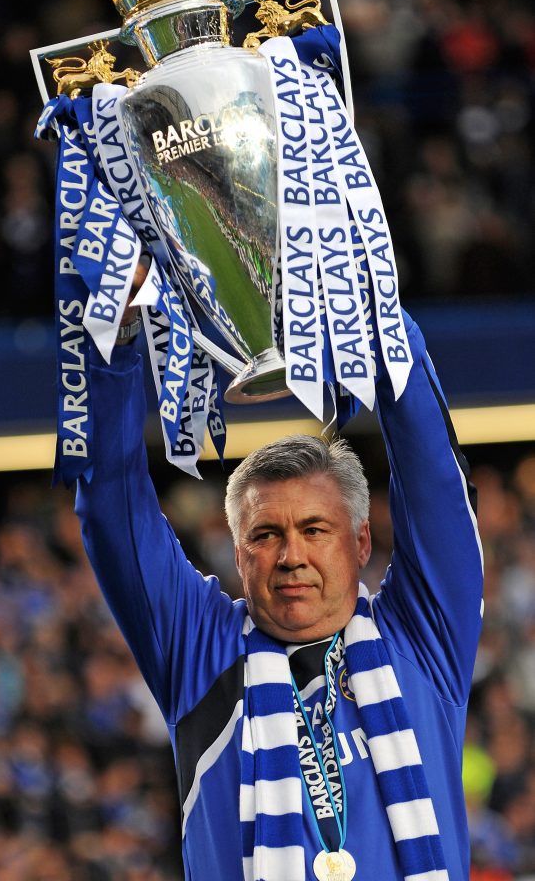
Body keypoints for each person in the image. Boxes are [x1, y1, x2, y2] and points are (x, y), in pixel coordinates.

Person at [76, 271, 484, 881]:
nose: (291, 555)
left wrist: (371, 314)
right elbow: (112, 507)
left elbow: (436, 484)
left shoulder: (423, 641)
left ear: (361, 540)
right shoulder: (199, 652)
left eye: (315, 530)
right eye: (266, 536)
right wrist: (118, 330)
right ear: (238, 556)